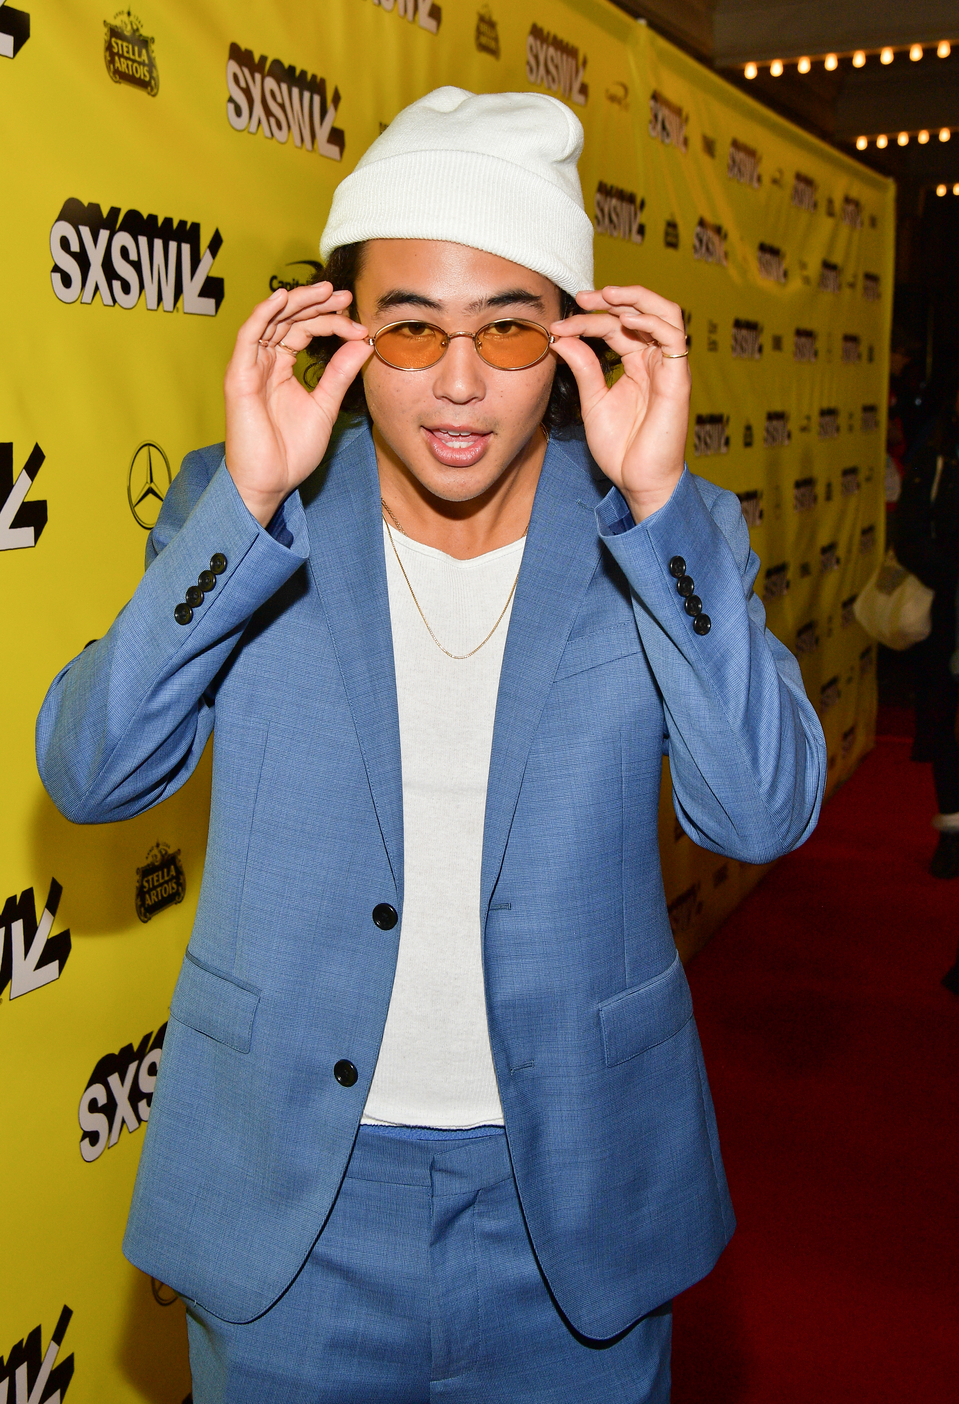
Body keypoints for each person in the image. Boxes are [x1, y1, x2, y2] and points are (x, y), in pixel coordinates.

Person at [36, 88, 826, 1402]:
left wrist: (656, 502)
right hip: (294, 1208)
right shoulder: (239, 510)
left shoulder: (668, 529)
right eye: (410, 329)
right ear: (347, 335)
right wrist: (241, 506)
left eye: (506, 328)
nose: (458, 382)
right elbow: (92, 772)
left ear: (569, 339)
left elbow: (757, 816)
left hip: (570, 1206)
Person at [894, 377, 959, 876]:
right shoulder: (935, 457)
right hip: (947, 616)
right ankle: (953, 832)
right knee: (942, 725)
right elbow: (910, 536)